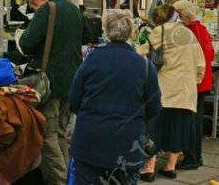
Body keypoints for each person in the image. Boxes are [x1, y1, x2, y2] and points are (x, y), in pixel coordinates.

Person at [69, 9, 162, 184]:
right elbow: (154, 107)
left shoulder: (91, 60)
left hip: (90, 140)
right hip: (127, 143)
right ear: (131, 33)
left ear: (106, 31)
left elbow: (74, 100)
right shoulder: (145, 66)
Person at [18, 0, 90, 184]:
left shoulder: (45, 11)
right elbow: (87, 36)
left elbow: (25, 44)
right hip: (72, 80)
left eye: (32, 5)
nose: (32, 9)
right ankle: (67, 177)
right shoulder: (73, 9)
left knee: (47, 137)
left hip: (49, 82)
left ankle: (58, 181)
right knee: (60, 134)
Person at [137, 5, 205, 180]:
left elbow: (141, 54)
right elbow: (200, 65)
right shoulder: (189, 34)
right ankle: (170, 166)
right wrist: (192, 82)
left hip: (163, 90)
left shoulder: (159, 32)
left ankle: (149, 167)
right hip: (185, 92)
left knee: (153, 129)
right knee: (178, 129)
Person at [172, 0, 214, 170]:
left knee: (191, 121)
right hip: (203, 80)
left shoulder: (189, 32)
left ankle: (193, 157)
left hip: (195, 81)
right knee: (195, 120)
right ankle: (195, 155)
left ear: (183, 16)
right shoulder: (201, 29)